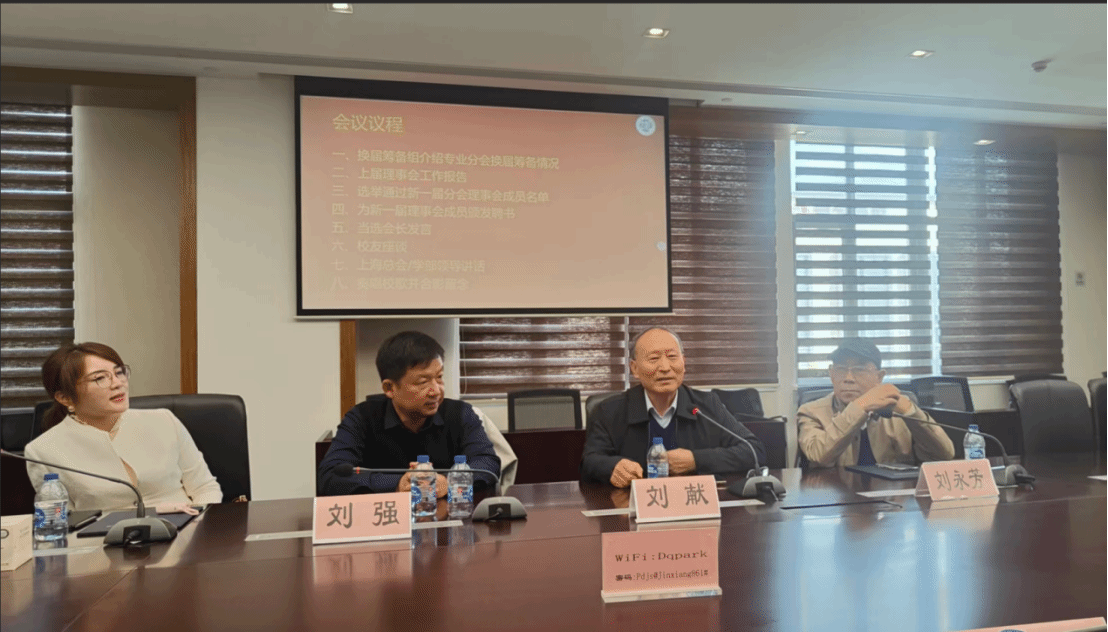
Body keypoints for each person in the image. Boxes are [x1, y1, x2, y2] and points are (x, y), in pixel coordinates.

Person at [24, 342, 223, 511]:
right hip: (102, 542)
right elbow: (61, 522)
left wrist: (198, 526)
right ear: (65, 397)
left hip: (185, 533)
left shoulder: (164, 420)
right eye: (100, 378)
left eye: (119, 373)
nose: (118, 383)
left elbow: (205, 488)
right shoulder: (42, 451)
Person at [317, 331, 500, 496]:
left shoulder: (460, 414)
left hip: (450, 518)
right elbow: (330, 475)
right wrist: (397, 484)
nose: (436, 391)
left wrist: (448, 482)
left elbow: (487, 463)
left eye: (439, 377)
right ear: (389, 388)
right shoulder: (362, 418)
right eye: (423, 382)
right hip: (386, 519)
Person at [580, 327, 766, 488]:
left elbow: (753, 450)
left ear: (683, 363)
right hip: (633, 507)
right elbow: (589, 461)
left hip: (693, 505)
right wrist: (612, 467)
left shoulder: (706, 405)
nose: (665, 367)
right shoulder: (609, 411)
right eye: (654, 358)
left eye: (672, 357)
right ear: (634, 368)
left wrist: (696, 460)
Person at [797, 337, 955, 468]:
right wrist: (860, 407)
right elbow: (819, 456)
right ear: (831, 375)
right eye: (840, 369)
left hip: (892, 494)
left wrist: (911, 412)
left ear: (879, 377)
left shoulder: (898, 410)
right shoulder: (811, 411)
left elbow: (944, 455)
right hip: (834, 494)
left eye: (859, 369)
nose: (848, 378)